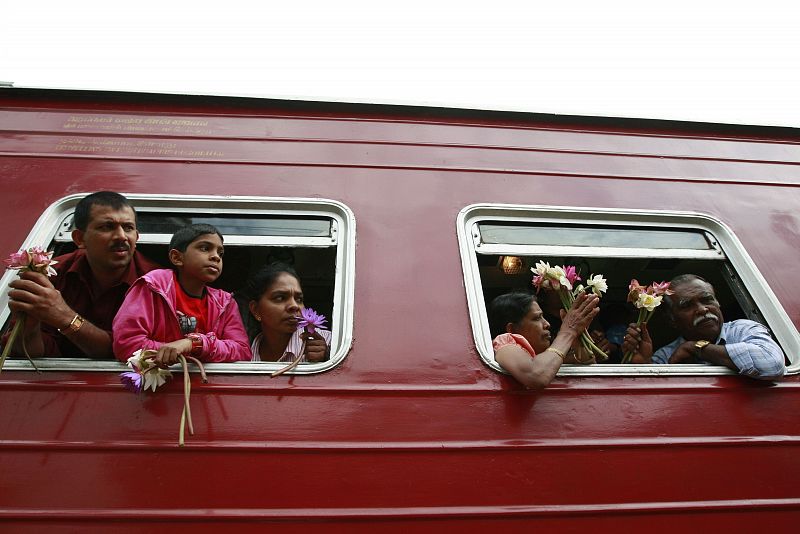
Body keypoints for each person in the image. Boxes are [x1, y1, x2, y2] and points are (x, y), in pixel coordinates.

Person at [6, 191, 160, 359]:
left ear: (136, 237)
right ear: (80, 238)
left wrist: (65, 317)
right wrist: (29, 328)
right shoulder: (52, 274)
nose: (121, 236)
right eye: (107, 227)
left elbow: (134, 352)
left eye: (128, 228)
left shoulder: (157, 283)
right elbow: (29, 352)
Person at [112, 223, 250, 366]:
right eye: (205, 248)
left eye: (220, 253)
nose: (215, 257)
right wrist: (173, 350)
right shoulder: (152, 286)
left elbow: (242, 351)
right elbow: (127, 344)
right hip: (155, 385)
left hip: (205, 385)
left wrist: (194, 343)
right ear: (177, 257)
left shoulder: (225, 302)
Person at [622, 274, 786, 380]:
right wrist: (643, 365)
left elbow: (772, 364)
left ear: (718, 302)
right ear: (672, 320)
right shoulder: (666, 355)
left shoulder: (743, 329)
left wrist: (697, 348)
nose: (702, 309)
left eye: (707, 300)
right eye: (687, 306)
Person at [488, 290, 600, 389]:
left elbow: (588, 363)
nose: (547, 324)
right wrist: (568, 332)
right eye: (537, 318)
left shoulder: (542, 357)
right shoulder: (504, 343)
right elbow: (536, 375)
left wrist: (577, 340)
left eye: (543, 317)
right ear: (511, 329)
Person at [238, 262, 330, 363]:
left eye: (299, 299)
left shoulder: (329, 342)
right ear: (256, 309)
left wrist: (327, 358)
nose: (294, 306)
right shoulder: (241, 353)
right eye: (280, 298)